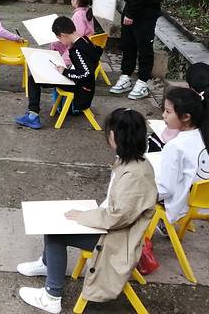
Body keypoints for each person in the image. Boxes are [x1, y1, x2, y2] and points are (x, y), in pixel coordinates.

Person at [17, 108, 157, 313]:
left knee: (56, 235)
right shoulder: (135, 163)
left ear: (113, 136)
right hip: (117, 230)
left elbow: (116, 217)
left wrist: (84, 216)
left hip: (118, 240)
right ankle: (48, 265)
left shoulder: (134, 175)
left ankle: (52, 296)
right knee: (54, 226)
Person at [16, 16, 102, 130]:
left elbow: (86, 73)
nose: (61, 42)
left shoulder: (77, 50)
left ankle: (33, 116)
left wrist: (65, 71)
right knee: (35, 78)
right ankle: (32, 114)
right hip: (85, 86)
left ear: (62, 35)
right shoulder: (85, 40)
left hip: (81, 90)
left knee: (33, 80)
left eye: (59, 39)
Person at [156, 87, 209, 223]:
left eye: (168, 111)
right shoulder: (204, 136)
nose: (163, 115)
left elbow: (166, 189)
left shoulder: (175, 146)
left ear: (186, 117)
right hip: (204, 204)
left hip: (184, 207)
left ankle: (163, 225)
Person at [50, 0, 95, 67]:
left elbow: (77, 35)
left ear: (76, 0)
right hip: (88, 43)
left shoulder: (78, 15)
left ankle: (57, 67)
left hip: (79, 47)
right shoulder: (87, 11)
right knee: (55, 44)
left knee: (60, 58)